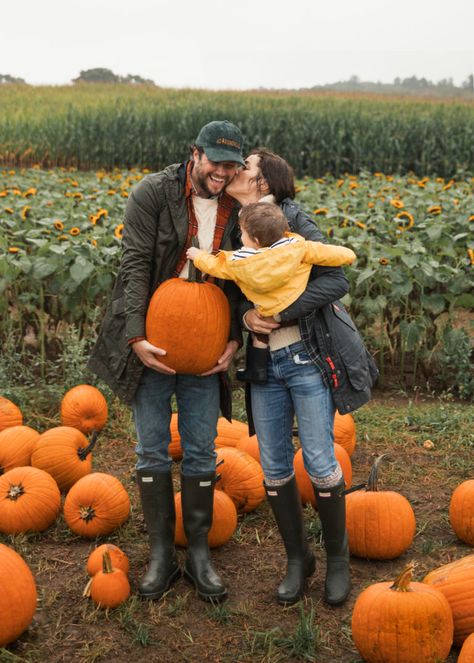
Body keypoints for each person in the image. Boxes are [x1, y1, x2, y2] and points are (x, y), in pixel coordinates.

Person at [87, 120, 246, 603]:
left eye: (231, 165)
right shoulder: (153, 193)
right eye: (215, 161)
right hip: (155, 336)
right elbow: (135, 263)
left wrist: (234, 341)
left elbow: (245, 278)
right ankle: (161, 554)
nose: (222, 172)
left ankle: (198, 553)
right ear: (194, 154)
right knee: (152, 448)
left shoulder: (236, 207)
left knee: (200, 449)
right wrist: (135, 336)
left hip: (208, 340)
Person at [224, 148, 378, 607]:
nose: (237, 171)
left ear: (264, 182)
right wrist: (249, 317)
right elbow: (233, 293)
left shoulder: (292, 221)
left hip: (306, 358)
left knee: (320, 460)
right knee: (271, 465)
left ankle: (337, 561)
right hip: (262, 365)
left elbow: (336, 281)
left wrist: (281, 312)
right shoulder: (238, 226)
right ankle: (298, 560)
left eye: (246, 167)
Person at [186, 201, 356, 383]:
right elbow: (328, 253)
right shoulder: (299, 247)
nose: (241, 236)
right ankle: (257, 370)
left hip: (264, 307)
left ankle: (256, 371)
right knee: (266, 324)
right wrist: (349, 255)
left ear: (256, 241)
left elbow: (215, 266)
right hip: (291, 300)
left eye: (242, 233)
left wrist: (197, 256)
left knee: (260, 332)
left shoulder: (241, 261)